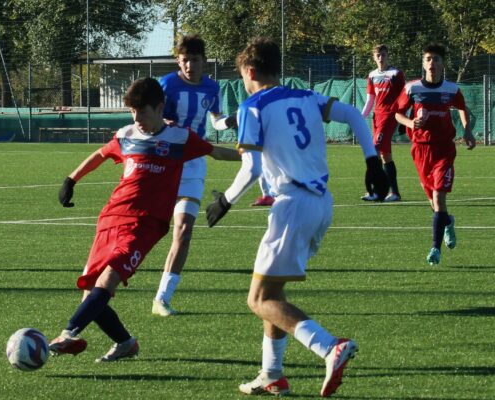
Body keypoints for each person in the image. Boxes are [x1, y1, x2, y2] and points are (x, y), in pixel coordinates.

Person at [205, 38, 388, 397]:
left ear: (251, 71)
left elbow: (251, 166)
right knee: (275, 291)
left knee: (258, 299)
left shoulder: (252, 106)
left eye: (242, 75)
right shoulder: (306, 97)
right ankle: (271, 374)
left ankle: (328, 346)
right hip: (321, 204)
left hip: (292, 205)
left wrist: (224, 201)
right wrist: (371, 161)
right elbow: (353, 114)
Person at [48, 77, 240, 361]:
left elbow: (218, 152)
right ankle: (126, 343)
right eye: (132, 112)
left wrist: (257, 155)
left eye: (143, 112)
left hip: (145, 225)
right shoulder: (126, 134)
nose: (137, 118)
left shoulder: (180, 138)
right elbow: (100, 155)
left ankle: (69, 332)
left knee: (109, 279)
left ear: (160, 107)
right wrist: (71, 179)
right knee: (90, 293)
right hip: (111, 218)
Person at [152, 34, 237, 316]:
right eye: (184, 60)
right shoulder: (166, 84)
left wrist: (232, 120)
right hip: (164, 162)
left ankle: (162, 298)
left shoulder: (213, 87)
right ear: (178, 60)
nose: (189, 65)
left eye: (195, 60)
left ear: (204, 61)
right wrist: (167, 124)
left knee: (184, 230)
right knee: (150, 228)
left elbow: (216, 121)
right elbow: (151, 118)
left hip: (194, 163)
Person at [395, 43, 476, 266]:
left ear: (443, 64)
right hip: (420, 150)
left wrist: (467, 129)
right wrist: (411, 122)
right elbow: (398, 115)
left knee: (439, 198)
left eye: (436, 59)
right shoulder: (413, 89)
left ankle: (434, 248)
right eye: (429, 59)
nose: (432, 63)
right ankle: (448, 222)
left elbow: (462, 107)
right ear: (423, 63)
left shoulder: (451, 89)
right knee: (433, 202)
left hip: (444, 150)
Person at [360, 44, 406, 202]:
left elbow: (404, 98)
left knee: (374, 151)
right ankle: (394, 193)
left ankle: (375, 191)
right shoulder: (372, 75)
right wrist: (360, 118)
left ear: (388, 56)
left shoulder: (396, 74)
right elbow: (370, 100)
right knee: (385, 156)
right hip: (377, 117)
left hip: (390, 116)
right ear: (374, 57)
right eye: (378, 55)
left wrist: (404, 119)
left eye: (384, 55)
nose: (381, 58)